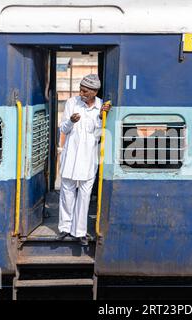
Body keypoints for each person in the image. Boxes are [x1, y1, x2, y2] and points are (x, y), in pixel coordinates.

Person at [56, 74, 111, 245]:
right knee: (67, 192)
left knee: (85, 195)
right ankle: (64, 228)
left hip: (89, 157)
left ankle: (79, 231)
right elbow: (63, 129)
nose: (81, 92)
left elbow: (101, 131)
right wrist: (71, 121)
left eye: (85, 90)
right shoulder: (72, 103)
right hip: (71, 155)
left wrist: (102, 118)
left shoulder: (101, 106)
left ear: (94, 92)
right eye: (81, 89)